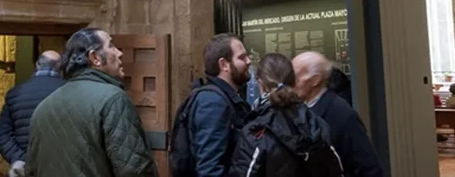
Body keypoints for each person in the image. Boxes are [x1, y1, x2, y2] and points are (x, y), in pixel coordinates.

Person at [27, 28, 158, 177]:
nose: (119, 53)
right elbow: (134, 170)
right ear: (95, 57)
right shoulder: (113, 99)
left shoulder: (43, 107)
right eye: (111, 46)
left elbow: (31, 168)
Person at [229, 53, 344, 177]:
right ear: (293, 81)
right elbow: (336, 170)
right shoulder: (315, 124)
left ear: (260, 83)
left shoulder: (257, 132)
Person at [292, 51, 384, 177]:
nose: (290, 83)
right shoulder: (300, 109)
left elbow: (367, 167)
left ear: (315, 80)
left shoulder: (341, 114)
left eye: (295, 78)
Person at [171, 33, 252, 177]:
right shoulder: (213, 102)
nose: (249, 61)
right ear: (224, 64)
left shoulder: (224, 98)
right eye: (241, 57)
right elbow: (209, 168)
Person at [0, 50, 65, 177]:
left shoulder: (15, 92)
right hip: (60, 167)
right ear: (60, 68)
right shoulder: (69, 92)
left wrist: (21, 158)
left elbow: (1, 136)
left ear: (37, 65)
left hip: (24, 169)